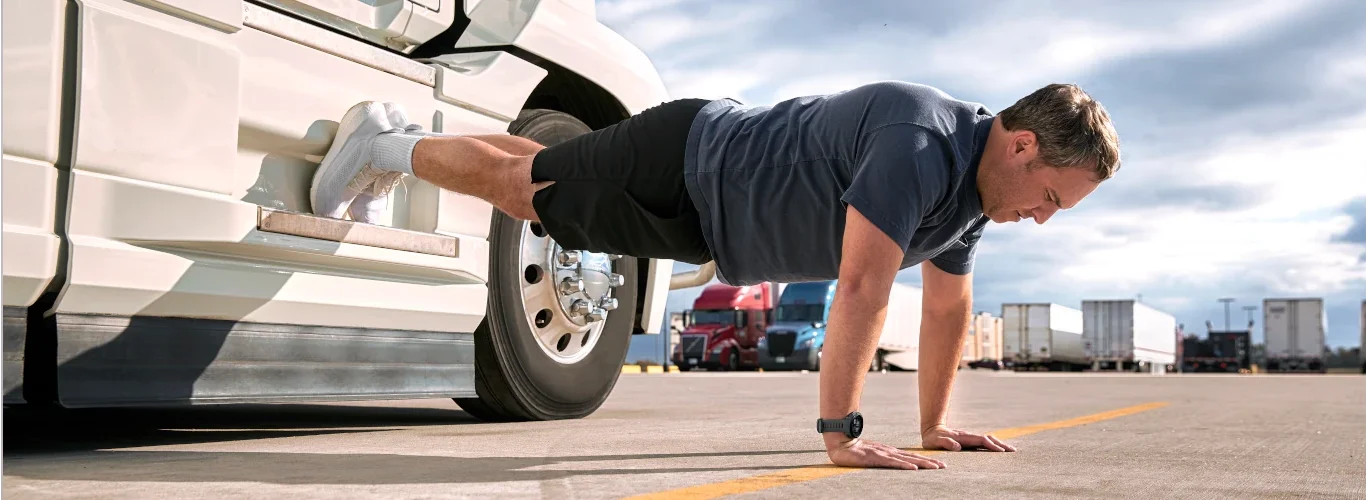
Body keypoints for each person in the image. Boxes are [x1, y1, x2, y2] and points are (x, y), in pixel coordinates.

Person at [310, 81, 1120, 470]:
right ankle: (382, 146)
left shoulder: (972, 203)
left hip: (709, 213)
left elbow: (948, 307)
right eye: (1049, 197)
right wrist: (841, 436)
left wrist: (937, 424)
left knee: (541, 173)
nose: (1042, 217)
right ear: (1020, 145)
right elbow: (865, 288)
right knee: (527, 195)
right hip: (691, 158)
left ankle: (406, 136)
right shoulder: (921, 143)